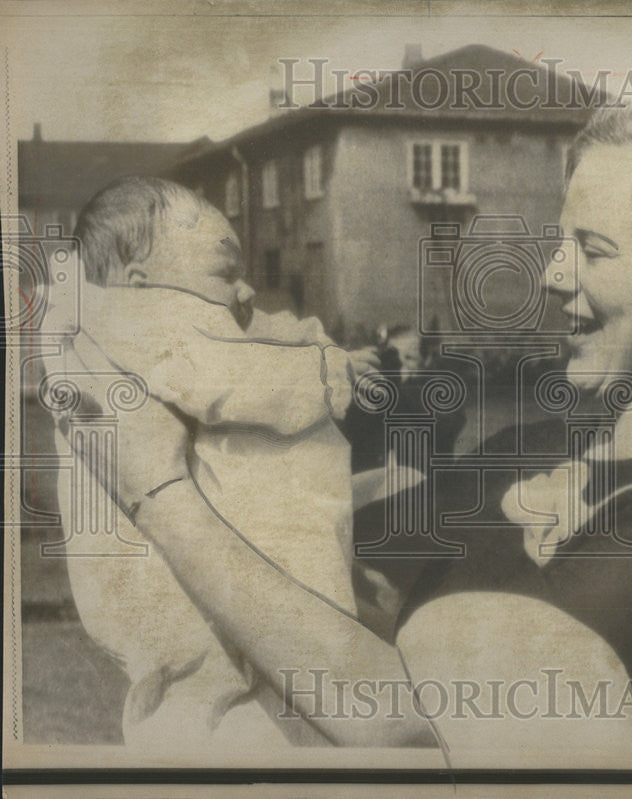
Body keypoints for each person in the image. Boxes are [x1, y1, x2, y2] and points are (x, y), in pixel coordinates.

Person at [65, 99, 632, 753]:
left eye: (592, 250)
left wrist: (158, 489)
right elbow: (342, 548)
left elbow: (404, 728)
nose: (552, 275)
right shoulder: (540, 442)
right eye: (560, 241)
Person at [41, 177, 378, 748]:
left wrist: (312, 342)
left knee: (190, 714)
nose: (246, 290)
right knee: (243, 722)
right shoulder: (142, 323)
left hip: (174, 629)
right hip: (187, 616)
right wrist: (329, 373)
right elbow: (241, 375)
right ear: (137, 283)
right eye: (225, 272)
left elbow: (260, 334)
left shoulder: (100, 325)